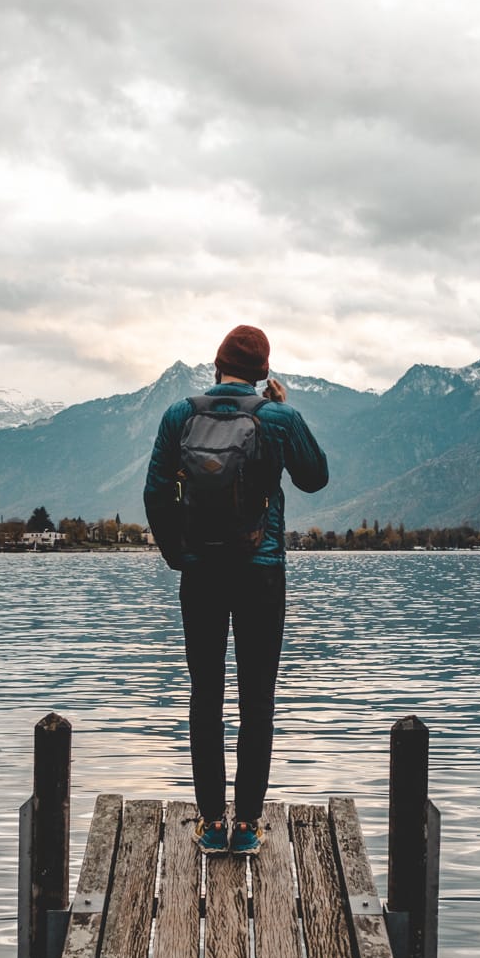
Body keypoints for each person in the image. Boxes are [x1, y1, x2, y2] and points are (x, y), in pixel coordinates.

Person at [144, 324, 329, 855]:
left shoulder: (180, 416)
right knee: (257, 699)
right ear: (263, 373)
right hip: (261, 572)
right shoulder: (278, 417)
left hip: (200, 573)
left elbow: (156, 492)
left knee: (206, 695)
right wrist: (284, 408)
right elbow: (315, 477)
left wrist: (180, 555)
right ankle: (247, 824)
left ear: (216, 365)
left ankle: (209, 822)